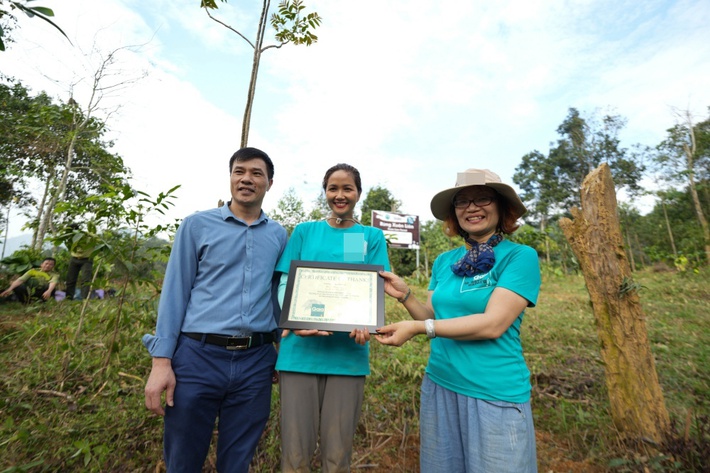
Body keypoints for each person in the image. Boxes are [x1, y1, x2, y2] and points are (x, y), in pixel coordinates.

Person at [375, 169, 541, 473]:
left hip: (494, 392)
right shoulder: (444, 262)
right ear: (454, 214)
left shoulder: (519, 257)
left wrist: (417, 329)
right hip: (440, 384)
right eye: (462, 201)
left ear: (502, 207)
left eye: (482, 198)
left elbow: (493, 324)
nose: (472, 207)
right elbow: (433, 318)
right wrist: (405, 295)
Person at [143, 147, 288, 473]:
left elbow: (279, 296)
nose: (247, 179)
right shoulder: (196, 226)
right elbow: (175, 292)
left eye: (256, 173)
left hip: (256, 362)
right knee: (183, 459)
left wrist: (283, 351)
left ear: (270, 183)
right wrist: (161, 361)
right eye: (240, 171)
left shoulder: (279, 236)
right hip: (197, 357)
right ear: (231, 177)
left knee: (237, 463)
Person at [276, 163, 391, 473]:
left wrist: (367, 322)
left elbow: (372, 286)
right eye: (333, 188)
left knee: (337, 456)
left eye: (347, 188)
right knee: (294, 455)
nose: (340, 195)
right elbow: (286, 281)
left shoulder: (367, 236)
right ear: (325, 192)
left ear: (358, 193)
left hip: (347, 356)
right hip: (298, 355)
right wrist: (295, 320)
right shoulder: (305, 231)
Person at [65, 227, 94, 300]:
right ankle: (69, 298)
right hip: (74, 259)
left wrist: (88, 234)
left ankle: (84, 299)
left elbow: (96, 238)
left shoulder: (87, 236)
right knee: (70, 279)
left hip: (86, 259)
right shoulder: (69, 237)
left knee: (85, 280)